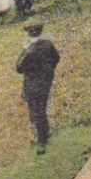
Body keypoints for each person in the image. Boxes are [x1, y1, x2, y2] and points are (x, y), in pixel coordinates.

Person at [16, 22, 60, 155]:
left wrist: (23, 51)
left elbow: (18, 68)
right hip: (45, 82)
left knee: (36, 112)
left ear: (28, 33)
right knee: (41, 110)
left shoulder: (29, 51)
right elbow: (56, 58)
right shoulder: (48, 44)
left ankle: (41, 140)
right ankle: (43, 132)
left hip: (32, 86)